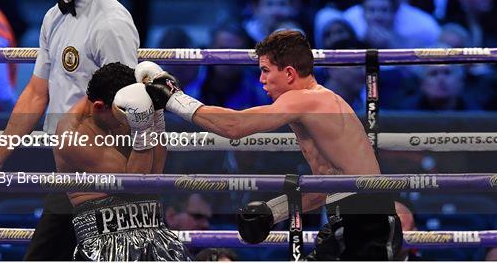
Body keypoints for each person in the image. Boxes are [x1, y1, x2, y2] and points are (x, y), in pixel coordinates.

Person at [132, 30, 403, 260]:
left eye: (265, 71)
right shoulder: (313, 106)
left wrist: (173, 99)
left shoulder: (306, 100)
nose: (261, 80)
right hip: (354, 217)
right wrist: (272, 212)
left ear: (288, 73)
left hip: (366, 222)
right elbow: (327, 186)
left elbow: (234, 127)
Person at [0, 0, 140, 260]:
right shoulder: (54, 17)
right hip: (68, 169)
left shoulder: (112, 23)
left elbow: (126, 104)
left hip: (101, 172)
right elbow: (36, 93)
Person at [54, 62, 190, 260]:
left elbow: (156, 173)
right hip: (106, 242)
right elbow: (136, 184)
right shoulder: (72, 134)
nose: (125, 121)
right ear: (100, 107)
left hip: (155, 229)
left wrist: (157, 114)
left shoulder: (120, 108)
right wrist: (143, 129)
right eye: (122, 115)